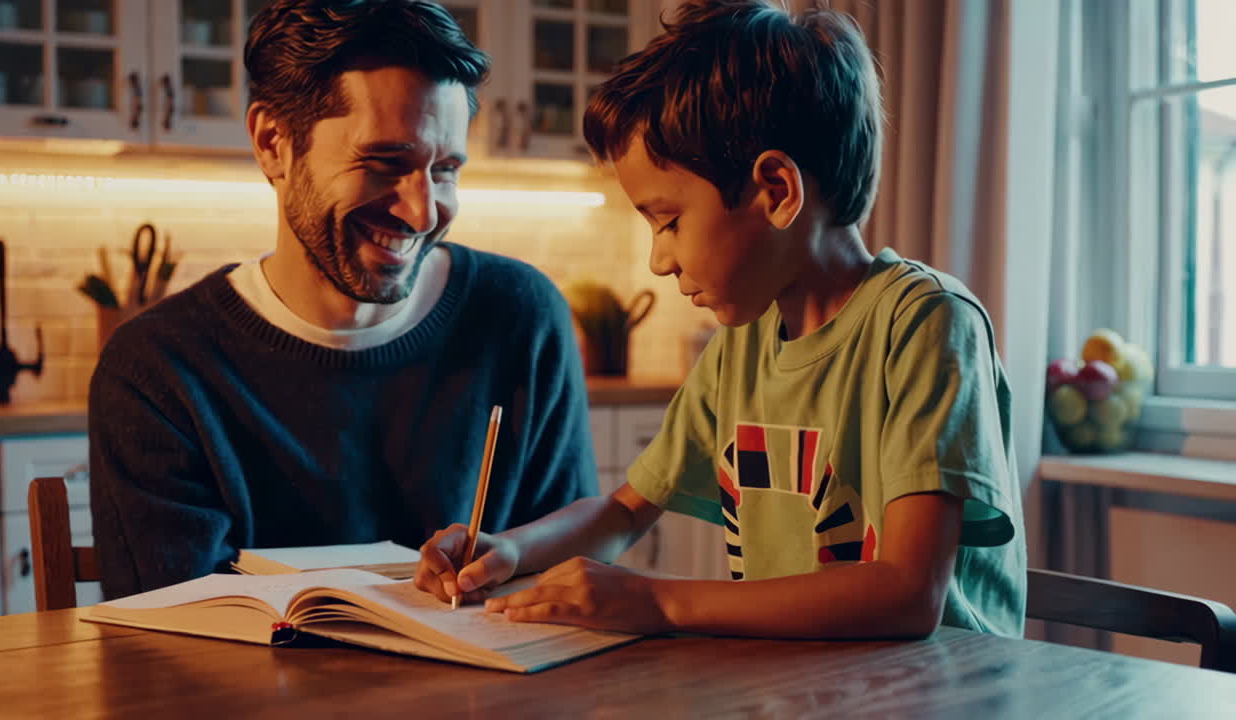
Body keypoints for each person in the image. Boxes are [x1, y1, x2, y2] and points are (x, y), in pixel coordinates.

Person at [414, 0, 1026, 639]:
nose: (657, 260)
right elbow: (624, 513)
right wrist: (511, 549)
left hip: (944, 692)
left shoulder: (925, 325)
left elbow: (908, 593)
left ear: (777, 192)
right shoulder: (743, 343)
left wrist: (662, 601)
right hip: (806, 687)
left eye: (669, 221)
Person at [88, 0, 598, 599]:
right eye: (386, 163)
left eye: (446, 170)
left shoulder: (519, 315)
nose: (423, 210)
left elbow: (569, 579)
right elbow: (172, 643)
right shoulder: (157, 370)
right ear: (274, 143)